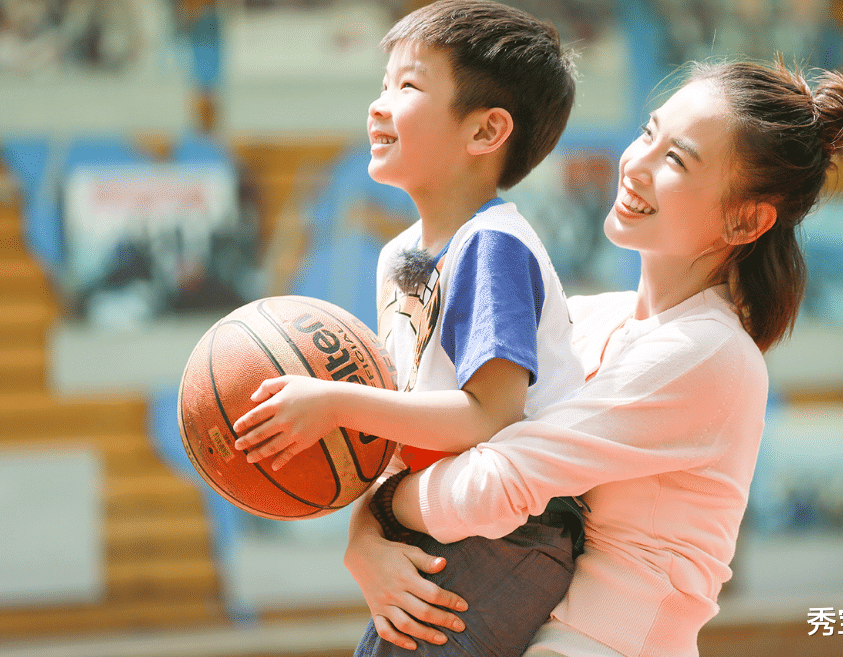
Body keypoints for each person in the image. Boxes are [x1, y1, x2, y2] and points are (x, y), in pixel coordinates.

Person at [344, 56, 843, 657]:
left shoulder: (707, 354)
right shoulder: (593, 319)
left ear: (746, 219)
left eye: (676, 159)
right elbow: (438, 432)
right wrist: (365, 545)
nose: (637, 164)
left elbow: (497, 483)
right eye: (649, 134)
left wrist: (380, 509)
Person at [232, 1, 586, 655]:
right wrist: (364, 534)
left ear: (486, 131)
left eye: (408, 86)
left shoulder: (492, 245)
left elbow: (488, 417)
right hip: (433, 514)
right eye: (383, 83)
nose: (378, 105)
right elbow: (400, 424)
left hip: (511, 529)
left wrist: (333, 401)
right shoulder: (400, 257)